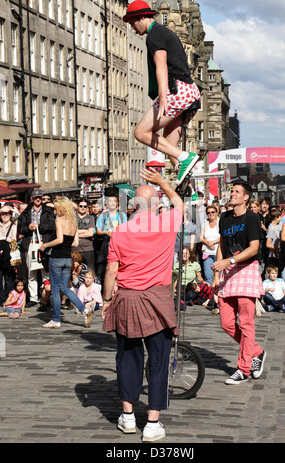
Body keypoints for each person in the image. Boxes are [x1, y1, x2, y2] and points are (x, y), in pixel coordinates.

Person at [101, 167, 183, 442]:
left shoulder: (120, 231)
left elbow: (111, 271)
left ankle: (126, 417)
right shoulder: (167, 223)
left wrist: (106, 300)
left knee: (127, 358)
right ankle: (151, 423)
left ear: (134, 206)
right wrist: (162, 183)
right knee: (158, 361)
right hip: (157, 299)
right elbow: (180, 203)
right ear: (157, 204)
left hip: (126, 299)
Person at [123, 0, 201, 187]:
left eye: (133, 23)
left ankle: (185, 157)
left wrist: (164, 97)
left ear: (141, 17)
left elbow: (161, 65)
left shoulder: (154, 34)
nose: (132, 28)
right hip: (190, 91)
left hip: (176, 90)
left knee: (140, 132)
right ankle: (190, 189)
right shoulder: (165, 32)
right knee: (168, 145)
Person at [212, 182, 267, 385]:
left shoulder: (252, 218)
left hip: (246, 268)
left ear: (246, 198)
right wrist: (217, 273)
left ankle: (243, 369)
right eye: (231, 191)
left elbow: (254, 248)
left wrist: (230, 260)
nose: (232, 194)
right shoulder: (225, 218)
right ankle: (257, 351)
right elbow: (222, 244)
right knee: (226, 323)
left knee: (246, 322)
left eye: (236, 192)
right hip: (227, 270)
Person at [39, 197, 93, 329]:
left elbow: (59, 239)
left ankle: (56, 320)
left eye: (56, 208)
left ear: (61, 208)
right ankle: (83, 310)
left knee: (56, 290)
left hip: (56, 257)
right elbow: (75, 243)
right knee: (65, 288)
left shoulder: (59, 220)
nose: (55, 211)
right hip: (68, 259)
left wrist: (44, 245)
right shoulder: (73, 222)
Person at [17, 189, 56, 306]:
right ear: (32, 199)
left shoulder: (48, 211)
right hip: (30, 243)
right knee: (31, 271)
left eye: (40, 197)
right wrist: (29, 227)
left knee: (45, 270)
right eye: (36, 197)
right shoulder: (26, 212)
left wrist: (39, 226)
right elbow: (20, 229)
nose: (38, 199)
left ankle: (47, 295)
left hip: (44, 242)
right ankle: (33, 298)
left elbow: (52, 227)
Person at [96, 195, 127, 285]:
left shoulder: (122, 215)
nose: (112, 203)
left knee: (119, 267)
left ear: (117, 203)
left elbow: (125, 229)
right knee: (106, 267)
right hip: (106, 244)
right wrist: (106, 232)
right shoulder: (103, 215)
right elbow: (98, 231)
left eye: (114, 201)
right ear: (107, 203)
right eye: (110, 201)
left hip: (120, 244)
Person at [0, 205, 18, 306]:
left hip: (8, 255)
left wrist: (4, 238)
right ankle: (1, 299)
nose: (4, 216)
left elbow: (14, 242)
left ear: (10, 214)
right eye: (2, 214)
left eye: (7, 213)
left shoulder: (13, 226)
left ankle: (8, 298)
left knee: (8, 279)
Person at [200, 205, 220, 286]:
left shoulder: (221, 222)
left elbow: (223, 236)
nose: (211, 214)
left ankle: (218, 296)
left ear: (216, 213)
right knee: (208, 276)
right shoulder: (205, 223)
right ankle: (210, 295)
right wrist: (208, 243)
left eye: (213, 212)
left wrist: (214, 242)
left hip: (218, 253)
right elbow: (201, 238)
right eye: (208, 212)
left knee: (218, 276)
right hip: (207, 254)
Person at [75, 199, 95, 270]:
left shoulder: (91, 218)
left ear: (87, 208)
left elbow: (90, 233)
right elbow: (71, 232)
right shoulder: (72, 217)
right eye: (81, 206)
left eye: (85, 206)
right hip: (75, 249)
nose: (83, 208)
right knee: (75, 272)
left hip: (88, 249)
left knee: (89, 272)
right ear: (77, 206)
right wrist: (85, 231)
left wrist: (76, 233)